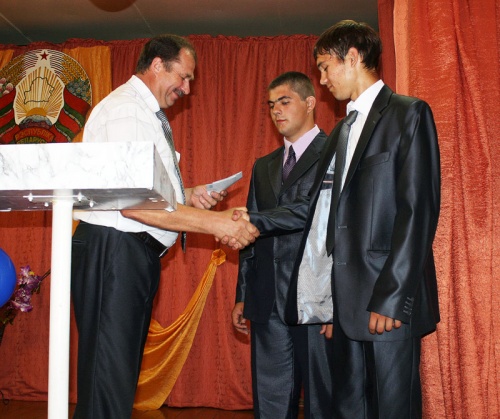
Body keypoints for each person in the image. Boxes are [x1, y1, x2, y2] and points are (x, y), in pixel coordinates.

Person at [234, 20, 441, 418]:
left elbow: (418, 213)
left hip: (387, 304)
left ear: (353, 57)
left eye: (325, 67)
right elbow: (317, 211)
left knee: (393, 410)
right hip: (345, 309)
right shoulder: (342, 130)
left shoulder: (408, 114)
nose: (323, 79)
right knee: (348, 409)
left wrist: (391, 298)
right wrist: (252, 219)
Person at [71, 34, 258, 419]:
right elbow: (135, 204)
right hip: (116, 251)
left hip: (127, 254)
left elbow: (139, 192)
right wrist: (216, 223)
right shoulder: (127, 111)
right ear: (157, 64)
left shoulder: (142, 113)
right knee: (108, 382)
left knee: (116, 380)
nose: (187, 89)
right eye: (183, 77)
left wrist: (188, 194)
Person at [231, 72, 334, 418]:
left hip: (318, 302)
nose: (276, 110)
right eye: (271, 104)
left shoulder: (335, 152)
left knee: (324, 403)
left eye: (284, 101)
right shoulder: (263, 166)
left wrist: (337, 303)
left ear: (310, 102)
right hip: (267, 302)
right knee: (270, 405)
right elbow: (250, 240)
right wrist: (243, 295)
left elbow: (317, 215)